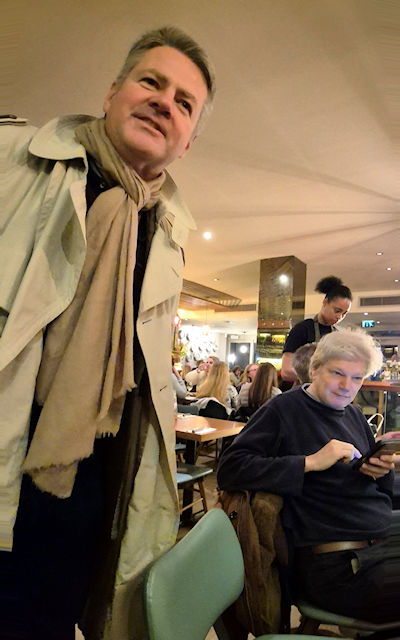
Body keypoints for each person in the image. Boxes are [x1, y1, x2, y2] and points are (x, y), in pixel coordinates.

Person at [1, 26, 215, 640]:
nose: (164, 102)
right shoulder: (13, 160)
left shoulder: (167, 234)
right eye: (152, 82)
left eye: (184, 103)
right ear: (112, 91)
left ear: (188, 141)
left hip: (84, 492)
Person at [218, 328, 400, 624]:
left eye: (357, 378)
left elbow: (374, 487)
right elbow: (230, 468)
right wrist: (309, 462)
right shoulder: (283, 409)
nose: (347, 386)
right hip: (335, 567)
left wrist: (380, 471)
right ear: (314, 369)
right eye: (337, 373)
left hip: (377, 545)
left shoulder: (353, 414)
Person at [281, 276, 352, 380]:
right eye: (337, 311)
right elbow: (286, 371)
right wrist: (320, 377)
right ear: (325, 302)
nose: (339, 317)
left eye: (344, 313)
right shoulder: (302, 329)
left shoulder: (337, 336)